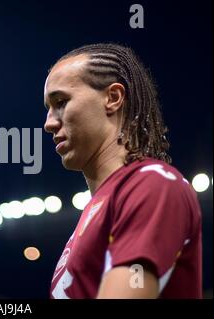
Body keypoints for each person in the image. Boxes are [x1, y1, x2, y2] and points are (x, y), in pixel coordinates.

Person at [43, 43, 202, 299]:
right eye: (48, 109)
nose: (48, 123)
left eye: (61, 102)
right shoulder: (96, 210)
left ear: (113, 97)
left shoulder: (151, 184)